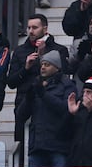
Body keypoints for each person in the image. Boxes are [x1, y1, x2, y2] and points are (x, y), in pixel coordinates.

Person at [7, 14, 68, 143]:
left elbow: (62, 74)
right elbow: (11, 82)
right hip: (24, 102)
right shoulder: (20, 51)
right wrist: (26, 68)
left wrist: (43, 56)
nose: (30, 31)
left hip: (50, 101)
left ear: (45, 29)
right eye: (29, 27)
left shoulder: (59, 50)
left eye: (35, 27)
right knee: (21, 143)